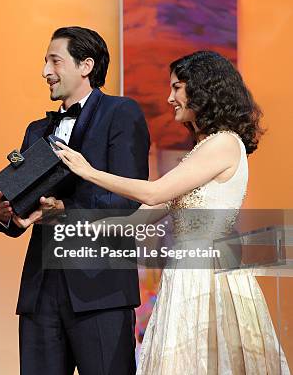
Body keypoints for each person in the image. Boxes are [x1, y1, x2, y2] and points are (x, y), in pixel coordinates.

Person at [57, 50, 290, 374]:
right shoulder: (204, 149)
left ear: (204, 89)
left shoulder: (223, 143)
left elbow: (155, 191)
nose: (170, 98)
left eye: (177, 87)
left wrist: (89, 171)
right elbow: (147, 212)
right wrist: (72, 222)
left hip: (208, 275)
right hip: (187, 272)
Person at [0, 26, 150, 374]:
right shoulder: (37, 130)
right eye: (45, 62)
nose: (45, 71)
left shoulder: (121, 114)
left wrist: (66, 211)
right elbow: (21, 206)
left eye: (54, 61)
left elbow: (130, 197)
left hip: (101, 290)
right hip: (41, 291)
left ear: (86, 65)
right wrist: (4, 211)